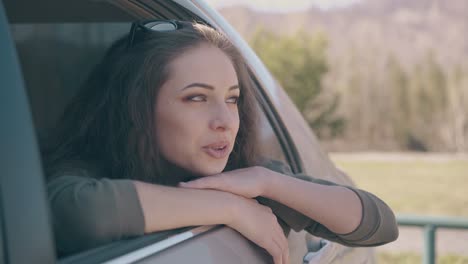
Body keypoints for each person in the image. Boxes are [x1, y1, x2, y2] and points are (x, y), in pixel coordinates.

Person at [42, 20, 398, 263]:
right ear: (136, 110)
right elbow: (76, 214)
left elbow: (380, 224)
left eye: (232, 98)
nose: (226, 121)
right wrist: (229, 209)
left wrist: (267, 181)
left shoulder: (247, 176)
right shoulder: (86, 170)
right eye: (196, 98)